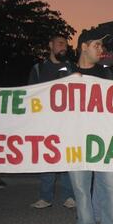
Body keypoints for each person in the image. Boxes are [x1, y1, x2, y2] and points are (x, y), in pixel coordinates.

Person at [68, 31, 113, 224]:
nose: (101, 50)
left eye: (102, 46)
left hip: (105, 139)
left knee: (111, 184)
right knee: (80, 185)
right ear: (83, 47)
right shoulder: (66, 73)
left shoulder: (107, 74)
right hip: (75, 138)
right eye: (97, 45)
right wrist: (70, 84)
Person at [28, 34, 76, 209]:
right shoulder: (38, 69)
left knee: (66, 158)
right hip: (45, 123)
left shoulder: (72, 68)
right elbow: (30, 94)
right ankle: (45, 197)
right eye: (60, 43)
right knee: (47, 158)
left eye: (66, 45)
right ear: (50, 45)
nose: (64, 47)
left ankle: (69, 195)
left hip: (66, 122)